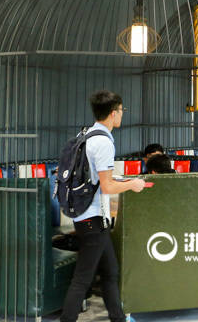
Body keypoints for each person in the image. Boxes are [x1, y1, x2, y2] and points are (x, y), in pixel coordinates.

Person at [61, 91, 147, 322]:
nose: (122, 114)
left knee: (110, 272)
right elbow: (107, 186)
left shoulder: (87, 135)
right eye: (121, 110)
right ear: (113, 113)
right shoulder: (104, 142)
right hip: (93, 220)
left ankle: (118, 318)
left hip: (87, 217)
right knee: (82, 279)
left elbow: (98, 179)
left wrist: (122, 181)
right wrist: (132, 184)